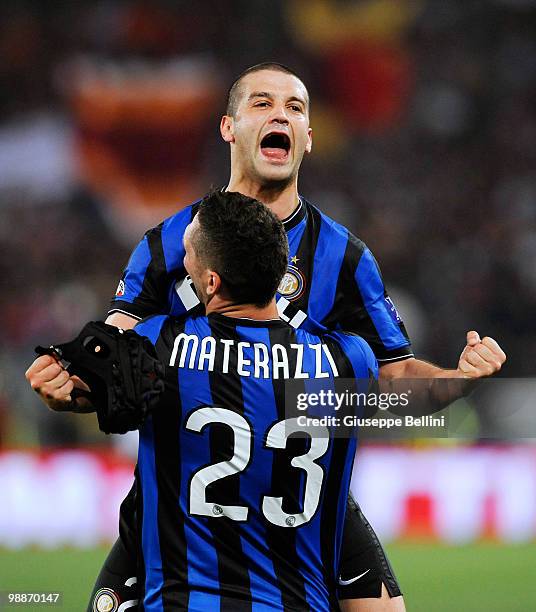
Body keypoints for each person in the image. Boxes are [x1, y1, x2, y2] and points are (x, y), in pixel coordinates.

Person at [26, 63, 506, 612]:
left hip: (302, 494)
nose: (280, 113)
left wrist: (456, 380)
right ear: (228, 127)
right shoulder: (165, 246)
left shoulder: (344, 257)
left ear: (307, 138)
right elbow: (112, 366)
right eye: (261, 102)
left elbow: (395, 376)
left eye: (295, 107)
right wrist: (69, 389)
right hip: (183, 502)